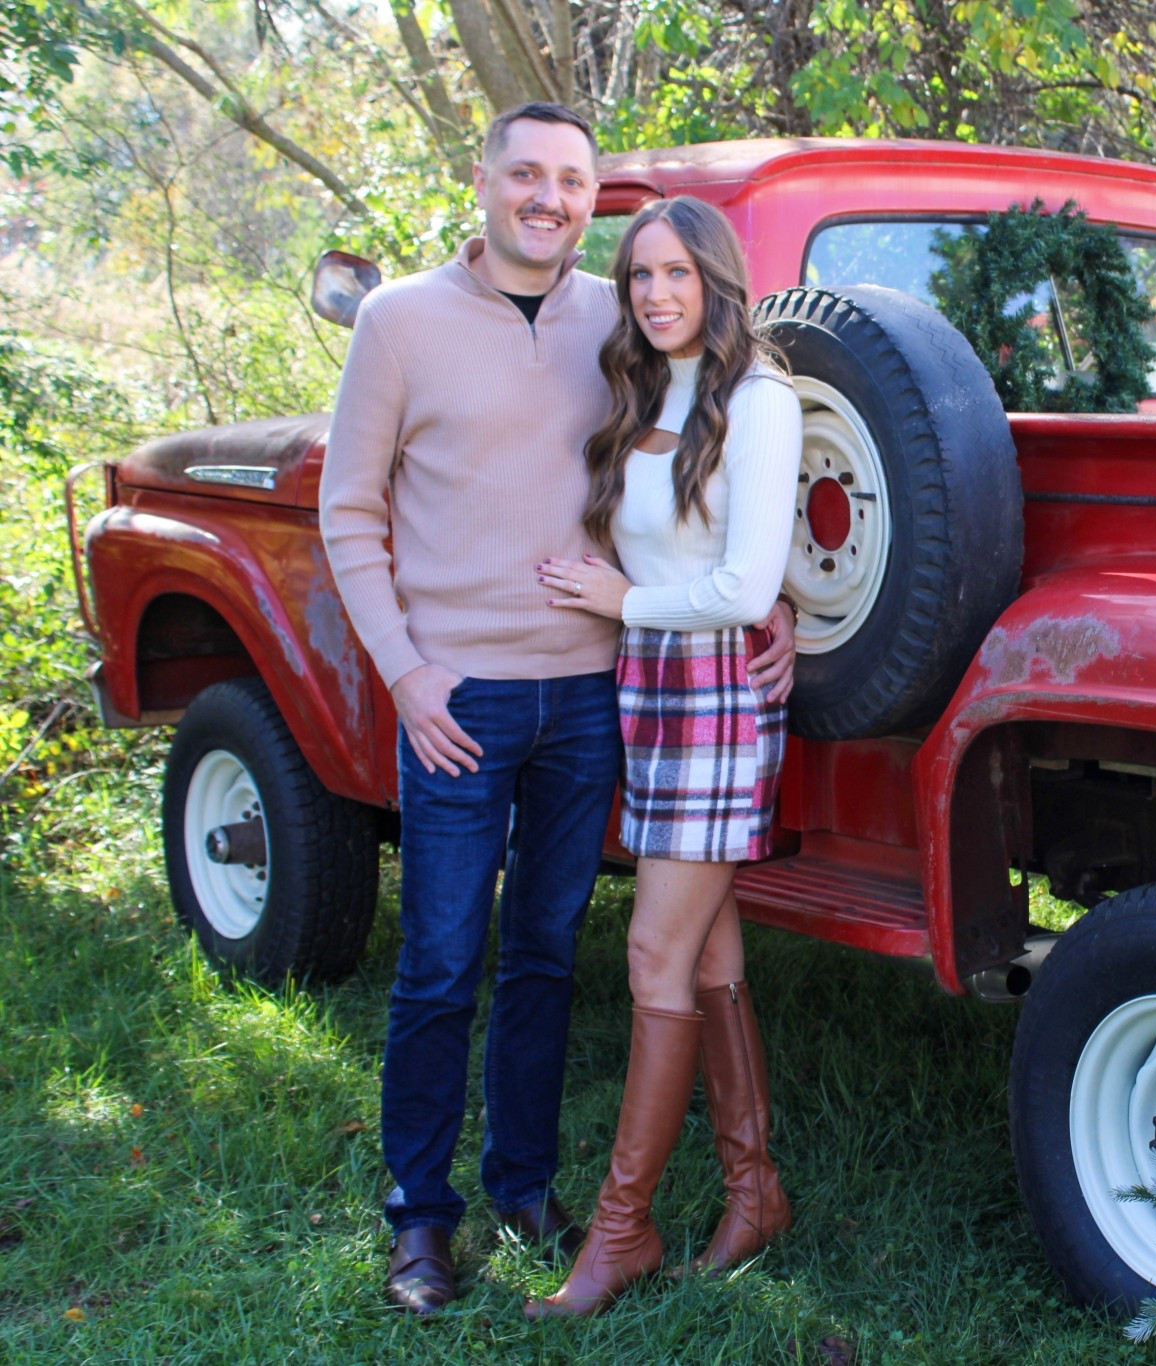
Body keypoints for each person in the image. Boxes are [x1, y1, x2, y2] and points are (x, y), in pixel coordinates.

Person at [318, 102, 794, 1317]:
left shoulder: (618, 316)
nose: (548, 197)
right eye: (524, 173)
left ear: (595, 198)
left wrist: (771, 597)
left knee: (544, 953)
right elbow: (348, 512)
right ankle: (422, 1220)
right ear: (480, 180)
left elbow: (721, 465)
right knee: (436, 960)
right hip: (458, 697)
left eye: (572, 181)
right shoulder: (398, 320)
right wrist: (405, 673)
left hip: (597, 692)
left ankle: (523, 1187)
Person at [524, 194, 801, 1318]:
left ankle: (619, 1229)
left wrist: (629, 598)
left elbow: (741, 583)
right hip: (650, 684)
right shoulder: (645, 386)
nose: (654, 293)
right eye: (638, 274)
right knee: (705, 949)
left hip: (716, 694)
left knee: (650, 953)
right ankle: (753, 1191)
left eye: (676, 273)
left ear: (717, 279)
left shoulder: (759, 397)